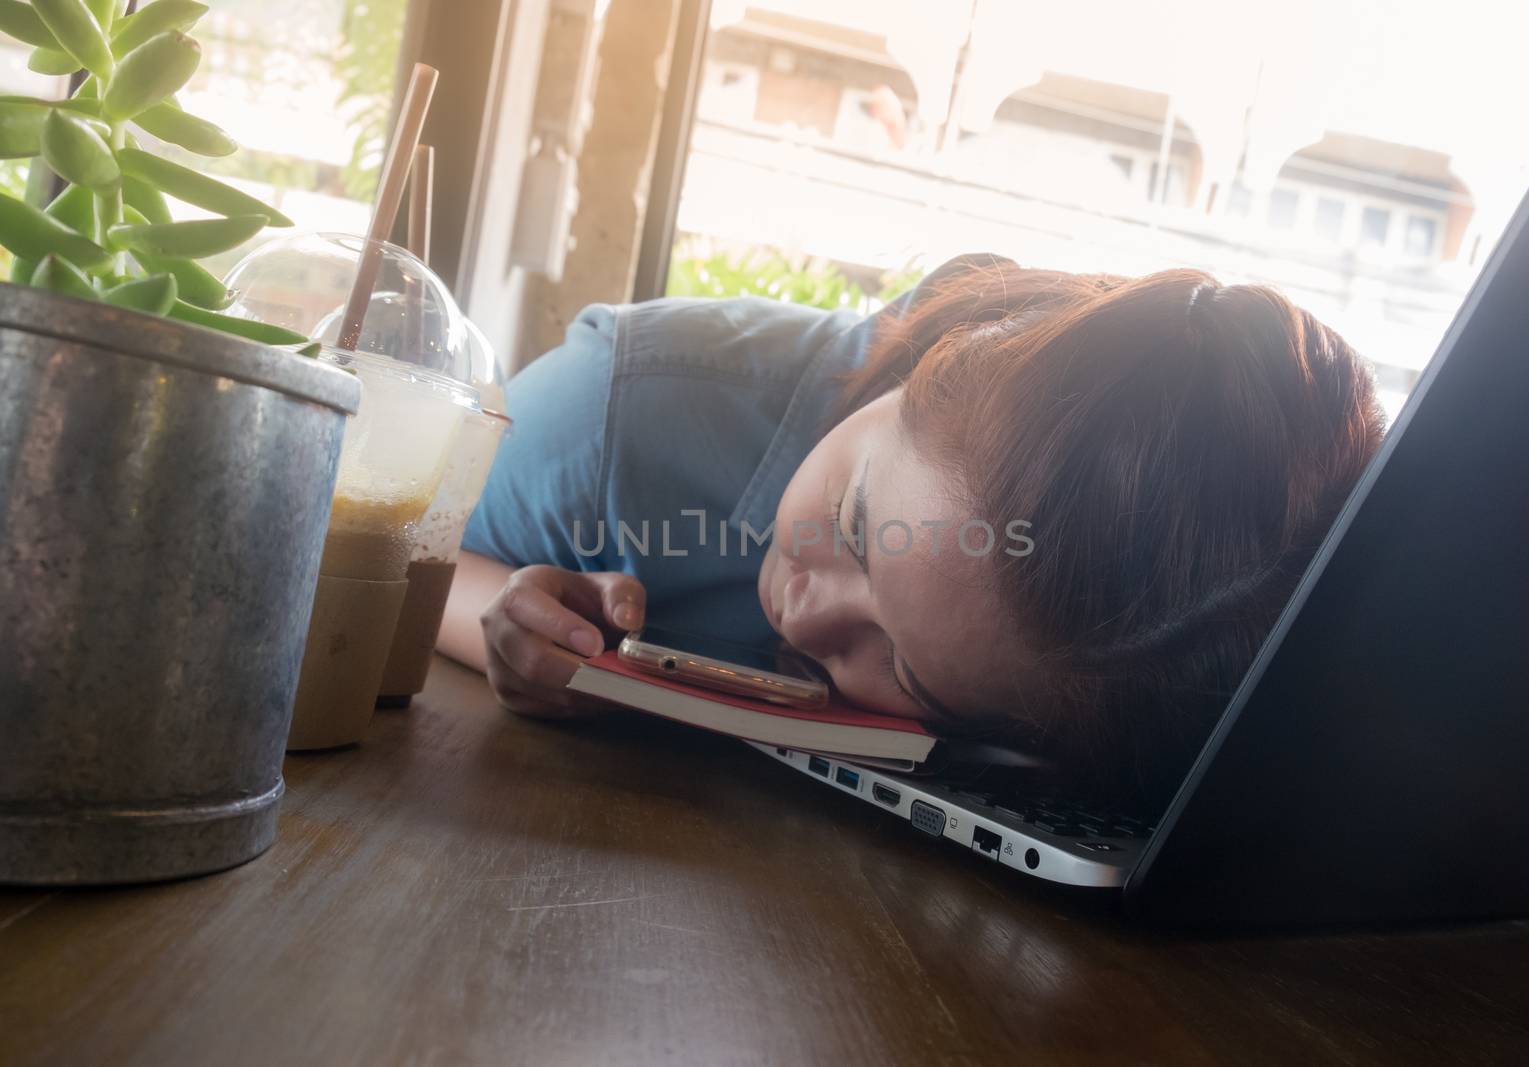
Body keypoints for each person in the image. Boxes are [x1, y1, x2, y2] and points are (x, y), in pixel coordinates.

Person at [438, 255, 1386, 806]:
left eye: (906, 671)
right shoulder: (614, 410)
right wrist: (517, 625)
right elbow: (395, 557)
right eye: (854, 522)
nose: (807, 617)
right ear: (923, 367)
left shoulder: (1139, 675)